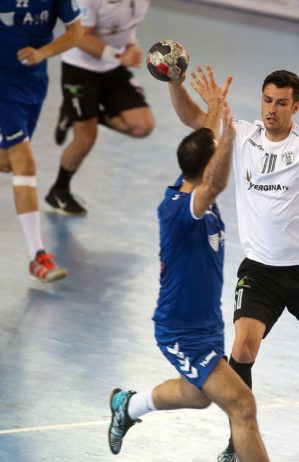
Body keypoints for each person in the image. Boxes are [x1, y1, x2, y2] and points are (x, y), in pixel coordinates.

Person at [169, 65, 299, 462]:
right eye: (267, 100)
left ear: (295, 107)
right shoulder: (242, 135)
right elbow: (194, 119)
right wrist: (174, 83)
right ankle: (238, 436)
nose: (272, 109)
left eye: (282, 103)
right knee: (243, 348)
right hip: (260, 270)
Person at [107, 74, 270, 462]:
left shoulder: (190, 177)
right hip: (180, 330)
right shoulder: (183, 209)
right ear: (208, 168)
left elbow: (205, 137)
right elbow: (214, 184)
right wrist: (229, 142)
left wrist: (210, 105)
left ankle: (127, 405)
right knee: (242, 406)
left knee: (197, 396)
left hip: (207, 324)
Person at [45, 0, 154, 216]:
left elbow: (126, 24)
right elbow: (79, 36)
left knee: (142, 126)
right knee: (85, 139)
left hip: (112, 68)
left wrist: (131, 44)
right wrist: (119, 56)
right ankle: (59, 191)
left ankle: (74, 113)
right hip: (79, 69)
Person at [0, 0, 83, 282]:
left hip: (32, 84)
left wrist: (43, 53)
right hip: (3, 84)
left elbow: (76, 33)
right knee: (24, 163)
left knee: (6, 162)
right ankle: (37, 256)